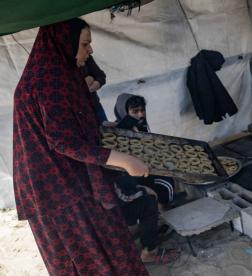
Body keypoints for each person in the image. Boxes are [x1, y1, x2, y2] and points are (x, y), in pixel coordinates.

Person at [13, 18, 150, 275]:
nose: (90, 51)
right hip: (56, 190)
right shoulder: (48, 80)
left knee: (111, 244)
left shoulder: (62, 71)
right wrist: (124, 159)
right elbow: (63, 140)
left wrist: (98, 129)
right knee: (89, 257)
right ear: (65, 42)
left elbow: (69, 121)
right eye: (85, 44)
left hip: (71, 178)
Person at [112, 94, 182, 263]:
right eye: (134, 111)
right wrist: (144, 190)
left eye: (142, 110)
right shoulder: (116, 135)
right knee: (150, 199)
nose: (140, 115)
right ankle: (149, 251)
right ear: (123, 112)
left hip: (139, 176)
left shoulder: (140, 126)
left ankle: (159, 220)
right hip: (123, 190)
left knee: (167, 183)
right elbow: (122, 185)